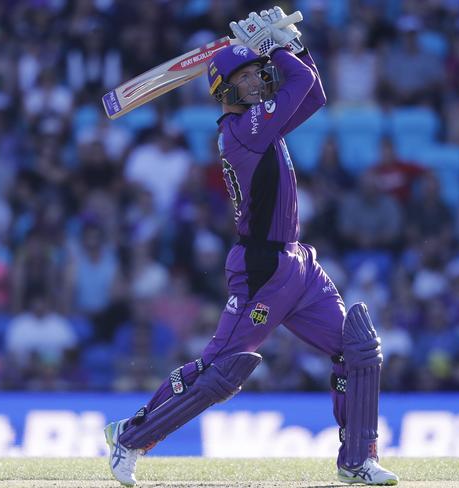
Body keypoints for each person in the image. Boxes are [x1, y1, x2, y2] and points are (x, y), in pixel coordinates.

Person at [104, 7, 398, 487]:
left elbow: (314, 91)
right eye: (245, 78)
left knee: (358, 349)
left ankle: (358, 460)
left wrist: (286, 48)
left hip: (298, 263)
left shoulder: (264, 122)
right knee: (223, 372)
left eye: (258, 74)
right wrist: (277, 47)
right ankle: (130, 437)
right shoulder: (242, 131)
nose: (258, 81)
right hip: (261, 267)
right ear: (223, 90)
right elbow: (300, 80)